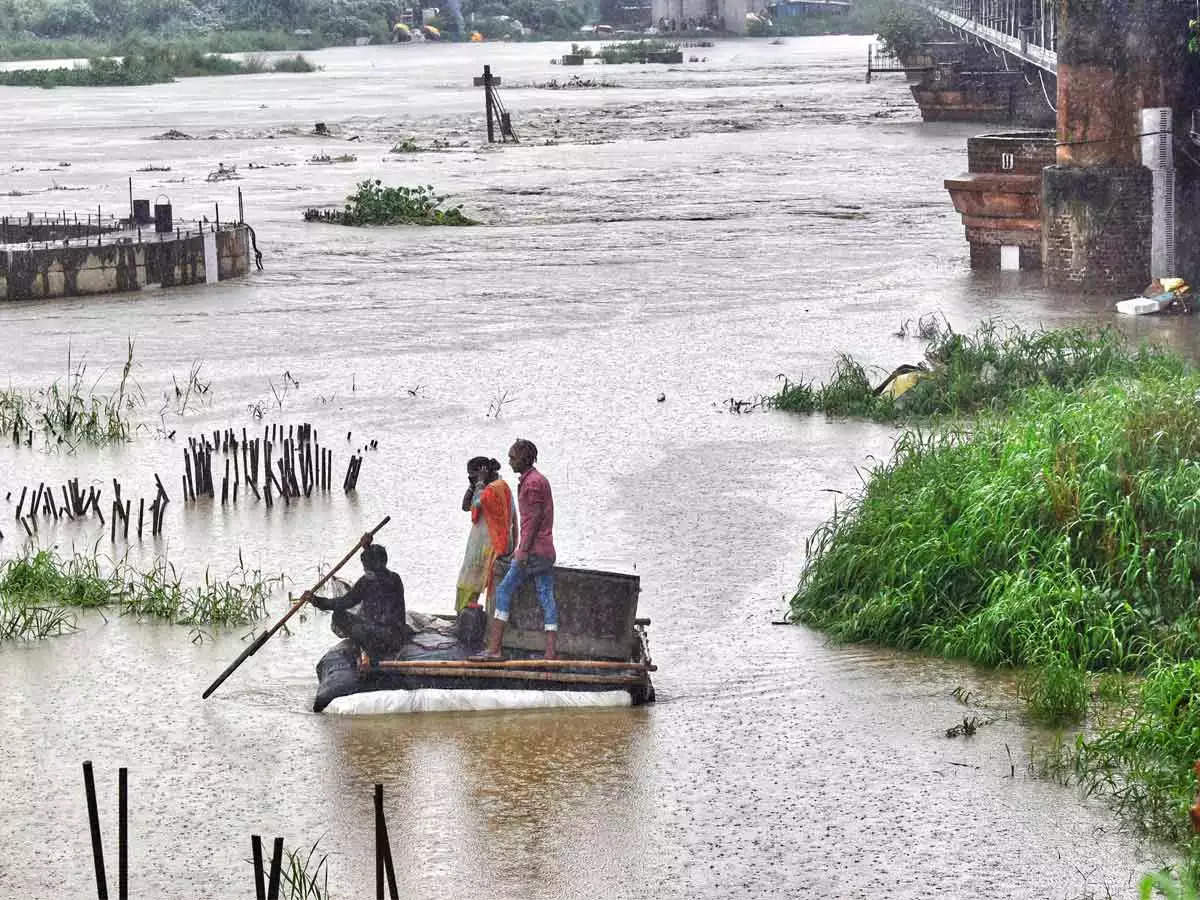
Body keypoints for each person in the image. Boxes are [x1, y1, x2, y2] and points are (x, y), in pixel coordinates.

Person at [473, 438, 558, 660]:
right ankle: (550, 653)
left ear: (524, 459)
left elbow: (532, 521)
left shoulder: (530, 485)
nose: (509, 462)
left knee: (504, 591)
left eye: (512, 457)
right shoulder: (538, 480)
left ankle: (494, 649)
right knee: (546, 596)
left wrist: (521, 553)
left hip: (533, 552)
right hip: (546, 551)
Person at [302, 533, 407, 663]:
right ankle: (369, 645)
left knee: (348, 621)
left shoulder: (377, 581)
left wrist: (315, 600)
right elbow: (344, 602)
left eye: (366, 567)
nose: (365, 570)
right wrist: (315, 600)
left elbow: (343, 602)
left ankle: (372, 651)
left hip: (386, 638)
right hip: (386, 634)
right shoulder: (388, 579)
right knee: (346, 617)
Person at [455, 456, 493, 611]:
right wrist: (474, 484)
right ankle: (462, 613)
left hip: (486, 543)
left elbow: (477, 505)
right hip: (478, 541)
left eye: (472, 475)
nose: (469, 478)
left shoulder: (491, 489)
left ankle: (467, 612)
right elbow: (465, 506)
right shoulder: (480, 487)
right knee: (467, 580)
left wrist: (480, 483)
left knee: (473, 581)